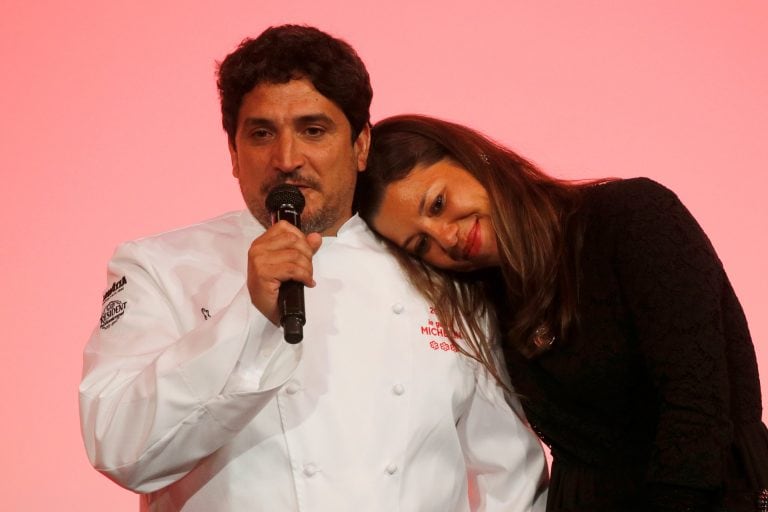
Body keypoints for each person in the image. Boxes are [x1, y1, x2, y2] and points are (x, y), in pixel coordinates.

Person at [78, 26, 548, 511]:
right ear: (233, 154)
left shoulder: (440, 272)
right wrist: (250, 317)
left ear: (360, 145)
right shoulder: (160, 266)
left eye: (313, 130)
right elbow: (120, 450)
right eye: (261, 133)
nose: (287, 159)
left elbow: (509, 476)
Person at [356, 113, 768, 512]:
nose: (446, 237)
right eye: (421, 245)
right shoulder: (493, 302)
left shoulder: (631, 217)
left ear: (471, 158)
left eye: (439, 203)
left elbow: (698, 409)